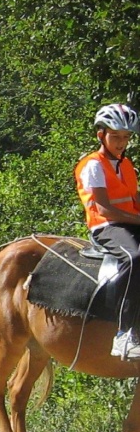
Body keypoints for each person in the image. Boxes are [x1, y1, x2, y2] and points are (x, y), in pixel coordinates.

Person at [74, 103, 140, 360]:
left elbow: (133, 199)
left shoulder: (125, 165)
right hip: (106, 226)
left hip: (130, 223)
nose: (121, 142)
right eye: (116, 136)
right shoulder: (93, 165)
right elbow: (105, 208)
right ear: (101, 135)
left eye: (126, 137)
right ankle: (124, 334)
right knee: (135, 258)